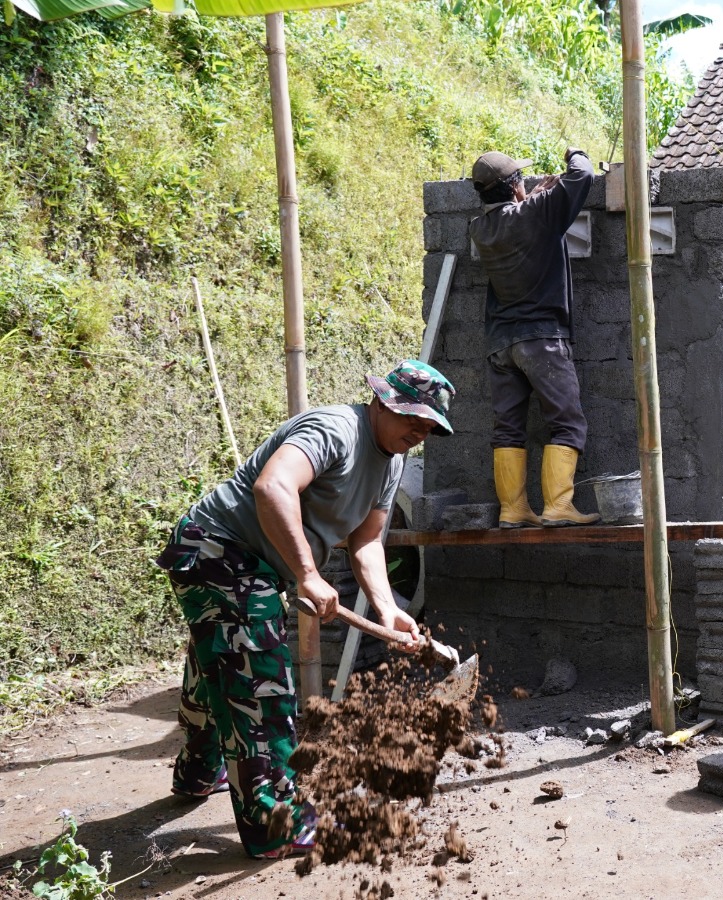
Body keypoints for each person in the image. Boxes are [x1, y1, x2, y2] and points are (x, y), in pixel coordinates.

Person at [154, 360, 455, 858]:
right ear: (382, 402)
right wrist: (308, 574)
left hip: (255, 565)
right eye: (412, 420)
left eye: (428, 428)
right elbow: (272, 487)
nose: (418, 434)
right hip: (218, 548)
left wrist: (387, 610)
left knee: (224, 661)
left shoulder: (393, 459)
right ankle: (275, 824)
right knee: (261, 686)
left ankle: (197, 769)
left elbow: (366, 542)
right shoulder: (334, 429)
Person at [469, 147, 600, 528]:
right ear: (515, 186)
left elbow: (517, 218)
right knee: (567, 423)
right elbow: (583, 175)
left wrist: (534, 197)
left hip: (501, 344)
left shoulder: (480, 228)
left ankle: (513, 509)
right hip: (541, 340)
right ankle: (557, 506)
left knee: (508, 427)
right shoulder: (535, 213)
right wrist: (574, 152)